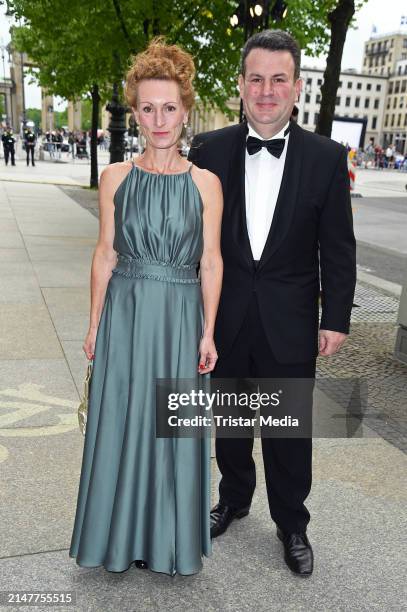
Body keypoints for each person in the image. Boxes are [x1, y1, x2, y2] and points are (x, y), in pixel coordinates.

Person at [189, 30, 356, 576]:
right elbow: (191, 241)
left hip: (290, 320)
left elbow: (337, 247)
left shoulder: (328, 158)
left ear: (297, 87)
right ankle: (233, 498)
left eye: (278, 79)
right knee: (231, 425)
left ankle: (292, 522)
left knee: (288, 432)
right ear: (240, 85)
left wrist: (335, 318)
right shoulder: (208, 151)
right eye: (255, 79)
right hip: (226, 316)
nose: (266, 90)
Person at [69, 38, 223, 576]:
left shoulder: (207, 184)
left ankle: (167, 542)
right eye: (148, 108)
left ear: (186, 110)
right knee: (123, 420)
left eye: (170, 108)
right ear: (135, 111)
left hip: (181, 319)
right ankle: (118, 539)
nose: (160, 120)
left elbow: (210, 262)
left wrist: (208, 332)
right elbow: (105, 254)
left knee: (171, 428)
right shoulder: (115, 177)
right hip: (127, 315)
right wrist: (93, 325)